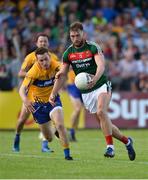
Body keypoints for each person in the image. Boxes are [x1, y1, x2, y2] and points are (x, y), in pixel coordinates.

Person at [49, 21, 136, 160]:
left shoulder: (93, 47)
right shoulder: (68, 53)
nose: (75, 38)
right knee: (105, 123)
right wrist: (53, 93)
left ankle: (110, 148)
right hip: (86, 91)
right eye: (72, 36)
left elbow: (101, 66)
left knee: (102, 112)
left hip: (101, 84)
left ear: (83, 33)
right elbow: (62, 75)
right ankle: (127, 141)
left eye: (77, 35)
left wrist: (95, 79)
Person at [19, 47, 73, 160]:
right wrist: (25, 100)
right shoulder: (33, 72)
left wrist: (62, 72)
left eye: (46, 59)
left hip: (53, 101)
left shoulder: (55, 64)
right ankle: (55, 132)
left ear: (49, 56)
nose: (44, 62)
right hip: (38, 106)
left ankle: (67, 155)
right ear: (37, 61)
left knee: (60, 125)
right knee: (48, 138)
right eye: (41, 60)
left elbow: (66, 68)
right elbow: (22, 89)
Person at [13, 33, 59, 152]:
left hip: (47, 93)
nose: (43, 43)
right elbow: (20, 73)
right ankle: (17, 137)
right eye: (41, 41)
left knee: (47, 119)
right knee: (22, 119)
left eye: (45, 41)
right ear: (36, 44)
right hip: (31, 94)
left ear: (48, 44)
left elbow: (59, 72)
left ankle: (45, 145)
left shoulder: (53, 58)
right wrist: (34, 75)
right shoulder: (30, 57)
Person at [67, 69, 83, 141]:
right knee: (77, 109)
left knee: (78, 111)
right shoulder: (71, 58)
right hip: (73, 85)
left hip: (83, 85)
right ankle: (70, 131)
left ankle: (72, 132)